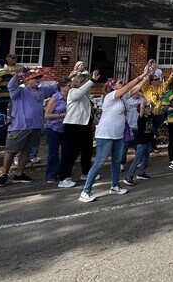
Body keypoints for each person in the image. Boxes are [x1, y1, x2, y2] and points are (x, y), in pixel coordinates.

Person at [78, 62, 155, 202]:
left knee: (116, 161)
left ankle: (115, 186)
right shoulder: (110, 96)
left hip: (118, 134)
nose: (121, 83)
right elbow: (129, 87)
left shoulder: (123, 98)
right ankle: (86, 191)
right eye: (119, 82)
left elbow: (137, 87)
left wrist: (147, 76)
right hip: (105, 134)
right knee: (100, 162)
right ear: (113, 86)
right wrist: (142, 74)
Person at [0, 68, 57, 187]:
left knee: (27, 150)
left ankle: (19, 174)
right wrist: (16, 76)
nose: (38, 80)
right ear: (27, 81)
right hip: (19, 126)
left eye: (38, 78)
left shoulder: (41, 91)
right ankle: (4, 174)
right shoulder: (19, 91)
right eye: (35, 78)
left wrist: (72, 75)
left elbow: (56, 86)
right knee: (11, 151)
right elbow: (11, 86)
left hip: (35, 126)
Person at [57, 70, 101, 188]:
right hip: (73, 126)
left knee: (87, 151)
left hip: (85, 126)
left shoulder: (86, 97)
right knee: (70, 153)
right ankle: (64, 178)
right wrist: (92, 80)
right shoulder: (73, 92)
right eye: (87, 83)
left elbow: (87, 112)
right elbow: (78, 93)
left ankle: (86, 172)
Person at [43, 78, 71, 184]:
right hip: (53, 128)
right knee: (53, 152)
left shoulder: (70, 98)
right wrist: (61, 115)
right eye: (69, 86)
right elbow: (47, 115)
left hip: (65, 128)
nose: (71, 87)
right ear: (62, 87)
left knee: (66, 151)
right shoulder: (55, 98)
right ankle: (51, 174)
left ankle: (63, 172)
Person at [123, 101, 154, 184]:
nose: (149, 109)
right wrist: (143, 100)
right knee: (137, 160)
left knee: (146, 159)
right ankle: (129, 176)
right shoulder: (141, 118)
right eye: (147, 108)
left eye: (149, 108)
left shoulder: (150, 116)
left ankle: (141, 173)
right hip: (141, 142)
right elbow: (142, 108)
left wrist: (150, 102)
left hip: (148, 141)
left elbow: (153, 106)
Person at [141, 68, 167, 151]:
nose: (158, 80)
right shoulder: (147, 88)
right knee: (149, 129)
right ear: (151, 81)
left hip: (160, 113)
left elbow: (168, 82)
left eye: (158, 79)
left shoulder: (161, 87)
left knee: (155, 130)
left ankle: (153, 145)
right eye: (156, 79)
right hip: (150, 113)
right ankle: (148, 145)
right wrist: (148, 74)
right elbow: (143, 82)